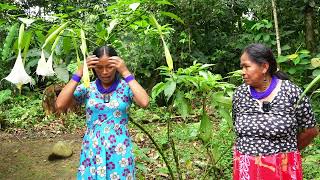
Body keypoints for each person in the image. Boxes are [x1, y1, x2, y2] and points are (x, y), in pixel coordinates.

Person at [55, 45, 149, 179]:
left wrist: (125, 72)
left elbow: (144, 102)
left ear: (117, 66)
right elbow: (60, 104)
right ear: (93, 68)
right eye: (99, 67)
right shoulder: (88, 88)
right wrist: (80, 72)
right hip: (92, 148)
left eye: (110, 67)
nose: (105, 72)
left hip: (119, 149)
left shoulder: (126, 87)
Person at [232, 43, 318, 180]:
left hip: (282, 169)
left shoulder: (291, 92)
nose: (243, 71)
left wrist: (286, 153)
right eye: (242, 67)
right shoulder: (239, 94)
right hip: (247, 170)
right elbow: (237, 128)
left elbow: (311, 131)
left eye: (247, 66)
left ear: (264, 67)